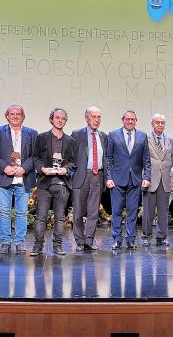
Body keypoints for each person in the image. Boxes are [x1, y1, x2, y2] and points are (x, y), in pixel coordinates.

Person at [0, 104, 37, 255]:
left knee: (22, 212)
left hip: (24, 177)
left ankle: (20, 242)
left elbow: (35, 155)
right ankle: (5, 241)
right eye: (12, 114)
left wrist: (24, 168)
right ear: (7, 116)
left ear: (23, 117)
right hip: (4, 177)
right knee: (4, 212)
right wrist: (5, 167)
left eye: (18, 114)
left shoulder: (32, 133)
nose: (15, 116)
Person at [30, 108, 76, 256]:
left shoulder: (70, 141)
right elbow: (35, 158)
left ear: (65, 121)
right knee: (41, 217)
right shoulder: (41, 137)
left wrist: (66, 169)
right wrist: (42, 168)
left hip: (62, 184)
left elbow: (73, 162)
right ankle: (38, 245)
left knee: (60, 217)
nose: (60, 120)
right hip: (44, 182)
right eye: (57, 117)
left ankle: (58, 245)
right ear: (51, 119)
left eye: (63, 118)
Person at [106, 110, 151, 250]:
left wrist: (147, 177)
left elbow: (147, 160)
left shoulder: (142, 136)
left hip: (135, 180)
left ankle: (131, 239)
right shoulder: (113, 135)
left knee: (132, 212)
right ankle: (117, 239)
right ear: (123, 120)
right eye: (127, 119)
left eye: (133, 119)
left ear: (136, 121)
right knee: (117, 211)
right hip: (117, 180)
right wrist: (108, 177)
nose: (130, 121)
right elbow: (108, 159)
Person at [71, 106, 108, 252]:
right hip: (81, 176)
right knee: (78, 211)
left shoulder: (103, 136)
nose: (97, 120)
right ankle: (79, 241)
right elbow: (70, 157)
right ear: (86, 118)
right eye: (94, 117)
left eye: (99, 117)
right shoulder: (77, 134)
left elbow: (106, 160)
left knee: (93, 211)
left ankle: (89, 240)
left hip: (97, 176)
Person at [143, 113, 173, 247]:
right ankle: (146, 235)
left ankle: (162, 236)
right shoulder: (146, 139)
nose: (160, 125)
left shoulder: (171, 140)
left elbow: (171, 159)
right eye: (157, 122)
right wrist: (145, 176)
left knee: (163, 211)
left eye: (162, 122)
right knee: (148, 211)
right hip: (150, 179)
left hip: (165, 179)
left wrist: (165, 170)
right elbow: (143, 159)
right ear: (152, 124)